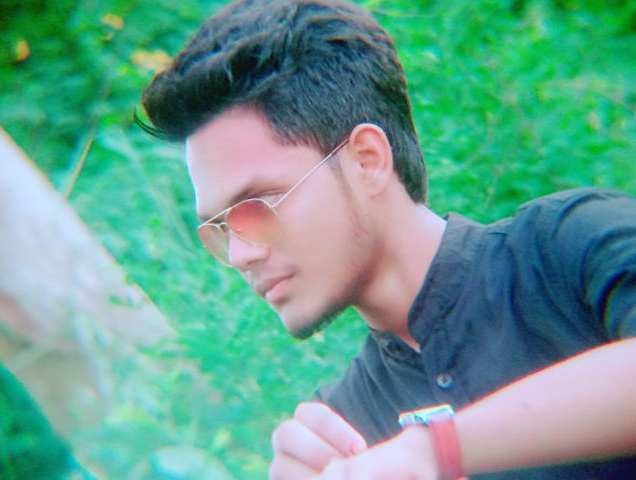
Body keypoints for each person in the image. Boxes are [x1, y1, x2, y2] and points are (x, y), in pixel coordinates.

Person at [138, 0, 636, 478]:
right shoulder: (345, 430)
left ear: (366, 160)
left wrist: (434, 449)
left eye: (257, 206)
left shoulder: (565, 247)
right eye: (221, 228)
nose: (241, 253)